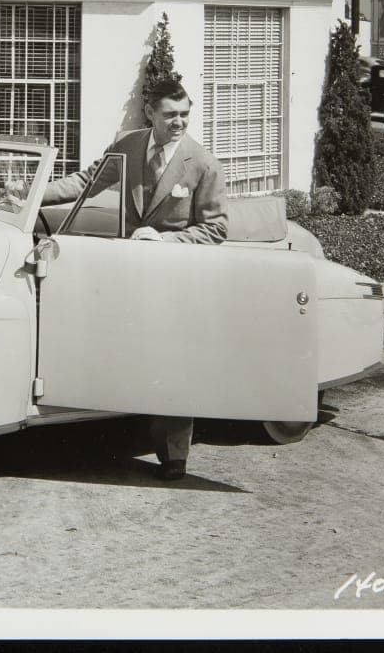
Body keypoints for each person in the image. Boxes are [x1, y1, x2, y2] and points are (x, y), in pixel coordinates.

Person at [42, 79, 229, 480]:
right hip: (126, 272)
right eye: (170, 115)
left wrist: (165, 238)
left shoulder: (204, 163)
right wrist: (33, 193)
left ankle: (174, 455)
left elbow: (215, 229)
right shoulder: (128, 145)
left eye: (184, 114)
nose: (178, 123)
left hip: (175, 276)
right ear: (150, 113)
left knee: (174, 362)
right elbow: (86, 182)